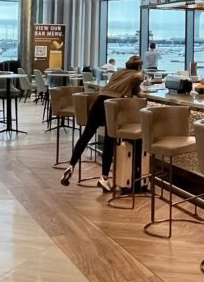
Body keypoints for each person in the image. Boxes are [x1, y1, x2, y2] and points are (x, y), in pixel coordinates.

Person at [60, 55, 144, 190]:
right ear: (139, 66)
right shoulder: (138, 76)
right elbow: (137, 94)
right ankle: (104, 177)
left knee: (86, 135)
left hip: (99, 102)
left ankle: (71, 165)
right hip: (112, 105)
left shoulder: (117, 73)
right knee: (109, 140)